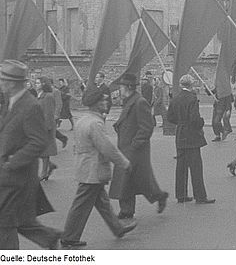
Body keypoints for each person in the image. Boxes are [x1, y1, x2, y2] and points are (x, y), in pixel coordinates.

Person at [60, 88, 136, 248]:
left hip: (85, 166)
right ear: (95, 103)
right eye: (102, 100)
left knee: (102, 201)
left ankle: (118, 228)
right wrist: (124, 163)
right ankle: (69, 237)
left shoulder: (83, 119)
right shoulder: (95, 123)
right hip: (93, 169)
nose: (106, 103)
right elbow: (107, 148)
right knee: (81, 204)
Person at [0, 60, 62, 250]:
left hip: (18, 176)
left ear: (12, 83)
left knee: (5, 222)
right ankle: (50, 238)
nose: (1, 83)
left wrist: (13, 161)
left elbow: (38, 141)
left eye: (3, 80)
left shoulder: (29, 105)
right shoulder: (11, 102)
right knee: (21, 220)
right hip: (10, 176)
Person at [108, 73, 169, 219]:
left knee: (138, 179)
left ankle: (159, 196)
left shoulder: (139, 102)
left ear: (128, 87)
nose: (119, 90)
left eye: (121, 87)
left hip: (135, 149)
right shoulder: (129, 100)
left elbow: (146, 127)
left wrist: (135, 145)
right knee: (130, 180)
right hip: (127, 147)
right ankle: (127, 209)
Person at [167, 74, 215, 204]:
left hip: (180, 132)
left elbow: (170, 117)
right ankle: (200, 196)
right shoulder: (192, 99)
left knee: (181, 166)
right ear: (191, 85)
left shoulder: (175, 99)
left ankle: (181, 194)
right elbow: (195, 118)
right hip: (192, 135)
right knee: (196, 167)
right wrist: (201, 122)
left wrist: (180, 122)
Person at [36, 77, 59, 181]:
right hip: (39, 126)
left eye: (38, 83)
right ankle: (50, 165)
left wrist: (46, 128)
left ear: (43, 84)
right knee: (37, 149)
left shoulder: (48, 96)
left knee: (44, 150)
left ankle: (44, 172)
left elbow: (48, 113)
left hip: (46, 127)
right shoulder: (39, 96)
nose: (35, 85)